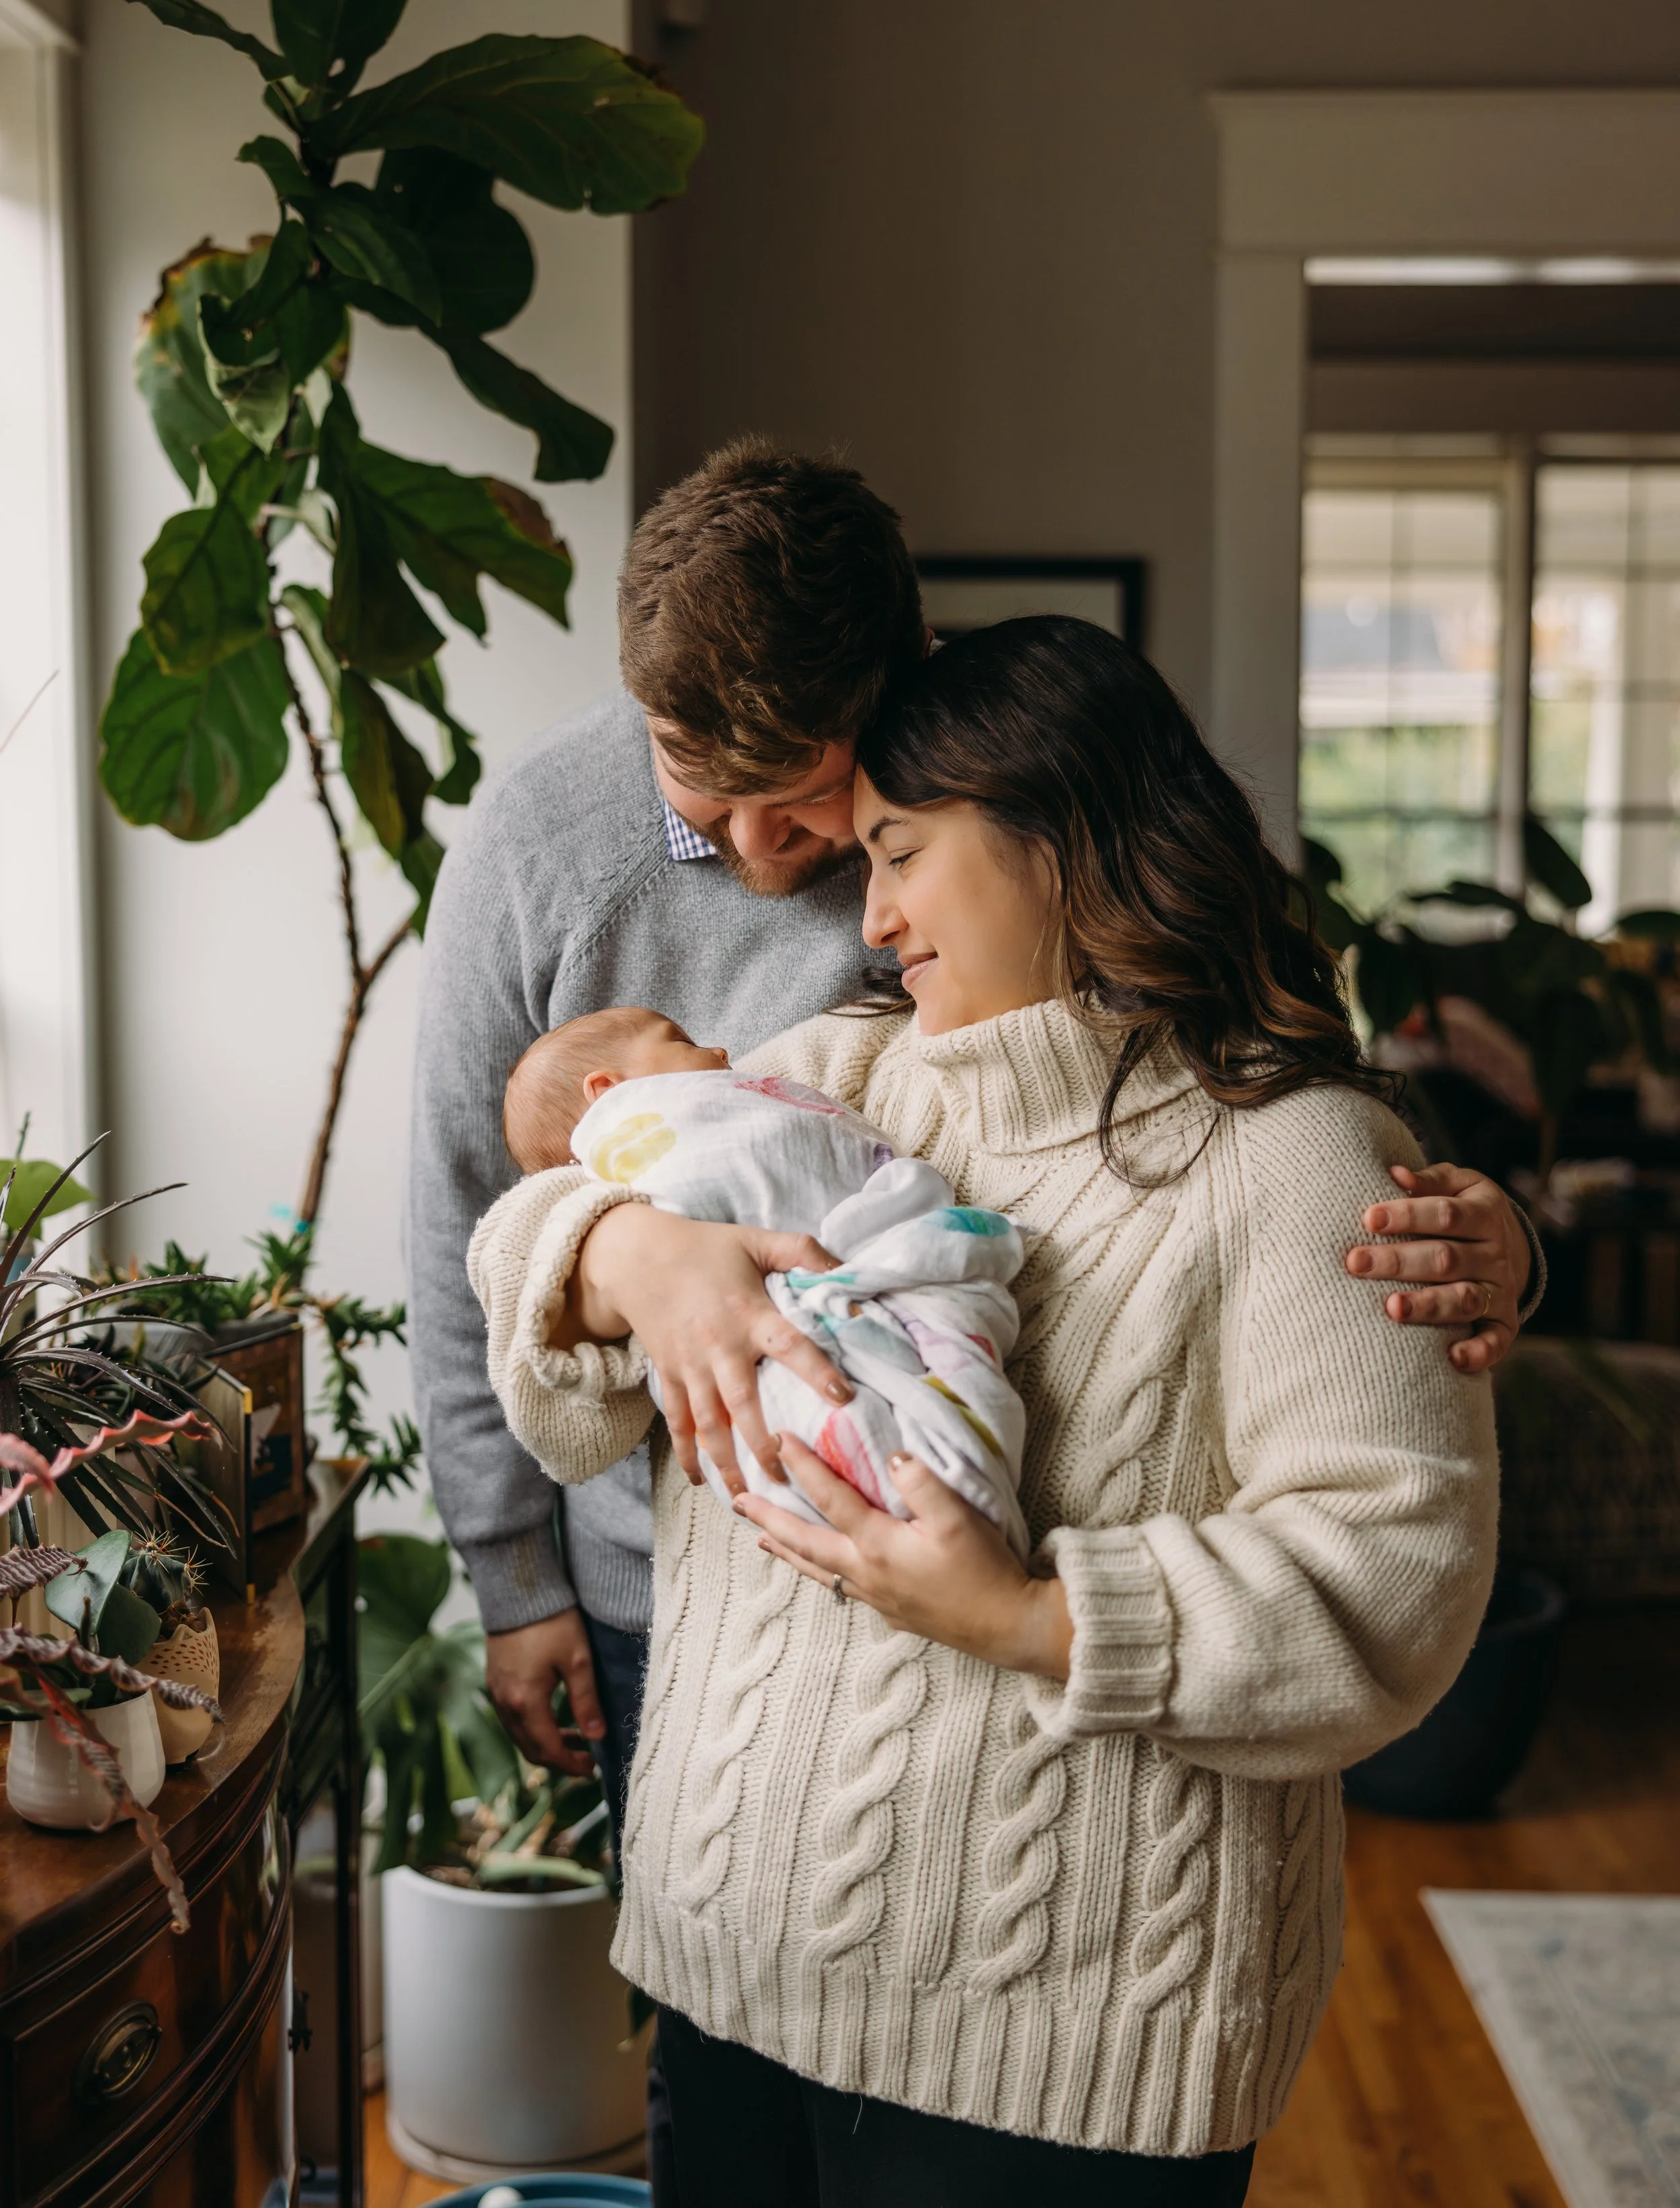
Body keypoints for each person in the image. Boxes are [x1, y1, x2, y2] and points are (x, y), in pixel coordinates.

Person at [468, 616, 1501, 2208]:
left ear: (1058, 830)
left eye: (895, 852)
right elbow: (536, 1267)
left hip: (1054, 2058)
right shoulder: (834, 1074)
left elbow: (1395, 1584)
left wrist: (1031, 1615)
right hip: (730, 1982)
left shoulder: (1296, 1155)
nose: (865, 917)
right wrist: (623, 1244)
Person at [409, 441, 1538, 1812]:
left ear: (897, 689)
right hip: (670, 1573)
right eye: (704, 789)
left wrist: (1481, 1234)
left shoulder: (985, 803)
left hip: (984, 1591)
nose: (771, 852)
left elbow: (1260, 1075)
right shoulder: (542, 835)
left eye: (813, 803)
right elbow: (469, 1206)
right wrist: (606, 1289)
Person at [497, 1003, 1030, 1548]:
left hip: (859, 1286)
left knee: (950, 1388)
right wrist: (624, 1251)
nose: (720, 1053)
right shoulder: (619, 1169)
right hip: (760, 1342)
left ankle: (963, 1518)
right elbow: (518, 1260)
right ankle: (943, 1520)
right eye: (681, 1038)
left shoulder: (790, 1075)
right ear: (609, 1092)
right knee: (804, 1426)